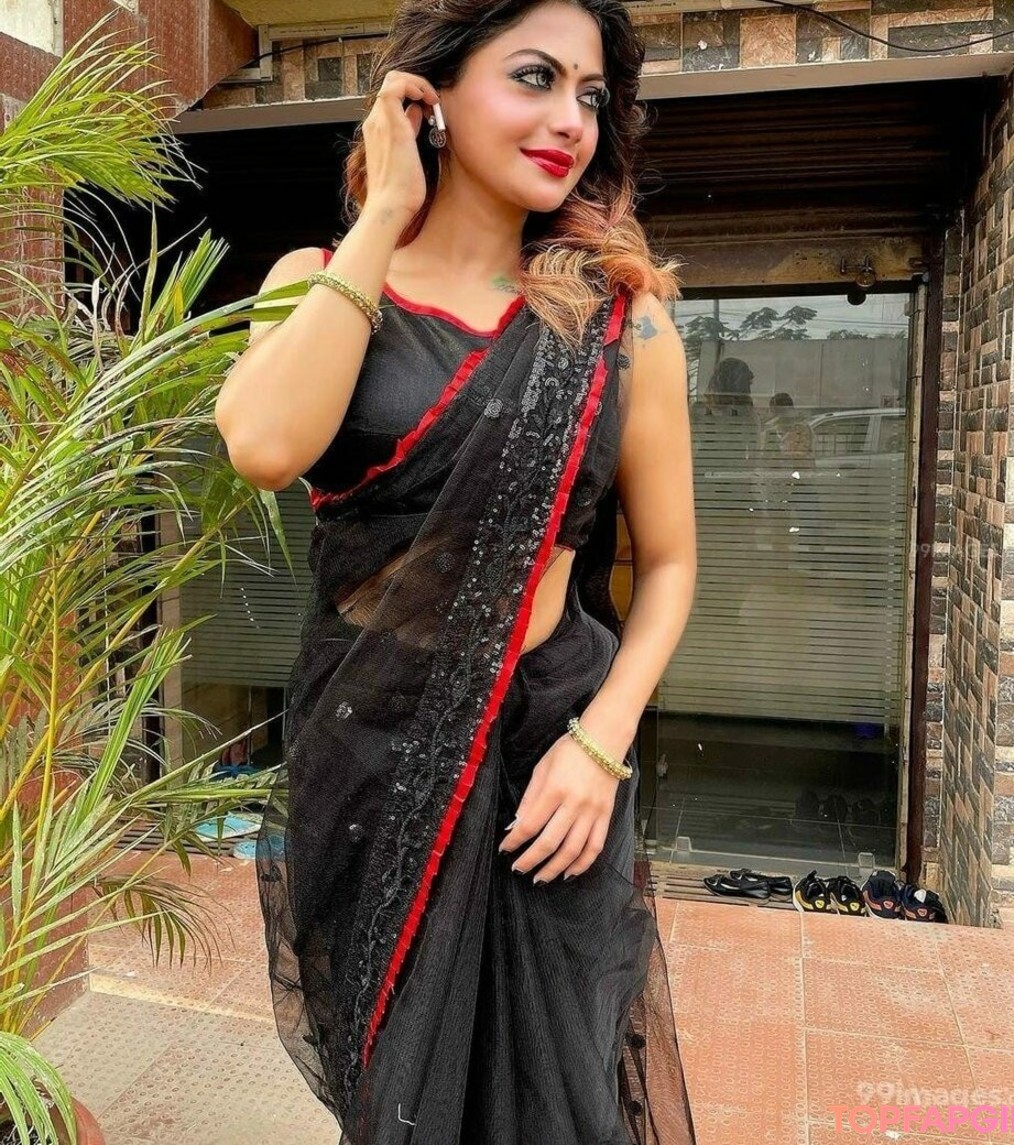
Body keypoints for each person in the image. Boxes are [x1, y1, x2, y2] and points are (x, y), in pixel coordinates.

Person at [214, 2, 698, 1142]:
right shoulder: (319, 280)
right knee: (401, 1099)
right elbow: (264, 446)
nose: (569, 120)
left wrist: (603, 740)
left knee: (555, 1090)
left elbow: (672, 564)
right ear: (427, 96)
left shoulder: (619, 324)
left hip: (551, 765)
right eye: (534, 77)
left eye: (590, 96)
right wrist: (385, 209)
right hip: (373, 755)